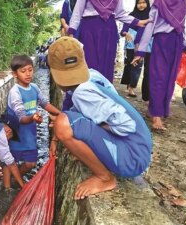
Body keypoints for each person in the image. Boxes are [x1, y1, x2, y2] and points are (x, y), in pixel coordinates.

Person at [48, 37, 152, 200]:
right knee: (67, 122)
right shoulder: (92, 76)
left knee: (62, 124)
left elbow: (124, 126)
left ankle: (105, 178)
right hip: (140, 150)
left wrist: (93, 127)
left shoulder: (82, 93)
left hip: (132, 158)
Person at [132, 0, 186, 131]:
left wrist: (185, 45)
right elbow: (150, 26)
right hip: (162, 41)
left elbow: (181, 27)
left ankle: (159, 109)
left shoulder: (182, 4)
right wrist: (141, 50)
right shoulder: (159, 3)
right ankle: (156, 115)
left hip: (177, 42)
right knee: (158, 77)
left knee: (170, 79)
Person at [3, 55, 61, 190]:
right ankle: (6, 188)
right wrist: (33, 118)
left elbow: (45, 104)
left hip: (30, 134)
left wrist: (60, 114)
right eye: (23, 71)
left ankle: (13, 178)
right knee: (9, 161)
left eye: (30, 70)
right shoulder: (15, 92)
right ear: (14, 74)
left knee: (31, 163)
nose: (28, 74)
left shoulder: (34, 87)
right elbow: (22, 118)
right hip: (16, 135)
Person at [67, 0, 149, 82]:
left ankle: (103, 93)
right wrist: (71, 34)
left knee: (106, 66)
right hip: (89, 30)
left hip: (109, 31)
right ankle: (89, 92)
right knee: (89, 64)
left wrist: (138, 22)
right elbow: (77, 13)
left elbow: (120, 14)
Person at [120, 0, 151, 99]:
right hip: (132, 44)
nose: (141, 5)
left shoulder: (151, 15)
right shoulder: (131, 15)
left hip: (148, 44)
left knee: (148, 68)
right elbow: (123, 30)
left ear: (147, 3)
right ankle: (131, 88)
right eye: (139, 3)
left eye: (143, 2)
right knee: (134, 65)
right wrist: (126, 33)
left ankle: (146, 94)